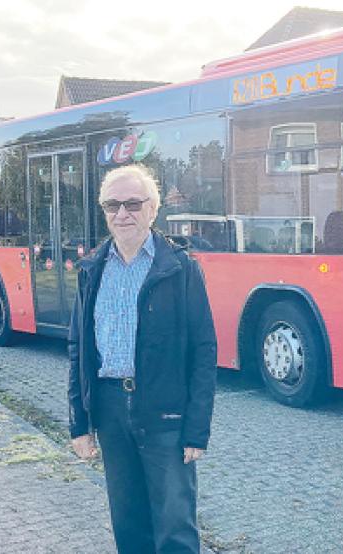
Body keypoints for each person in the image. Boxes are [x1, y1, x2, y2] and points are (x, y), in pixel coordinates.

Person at [68, 164, 217, 553]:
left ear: (153, 209)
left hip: (165, 411)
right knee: (128, 521)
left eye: (133, 204)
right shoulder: (92, 269)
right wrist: (79, 423)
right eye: (112, 205)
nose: (122, 214)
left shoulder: (180, 268)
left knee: (175, 525)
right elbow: (78, 349)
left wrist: (197, 428)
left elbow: (204, 351)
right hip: (110, 409)